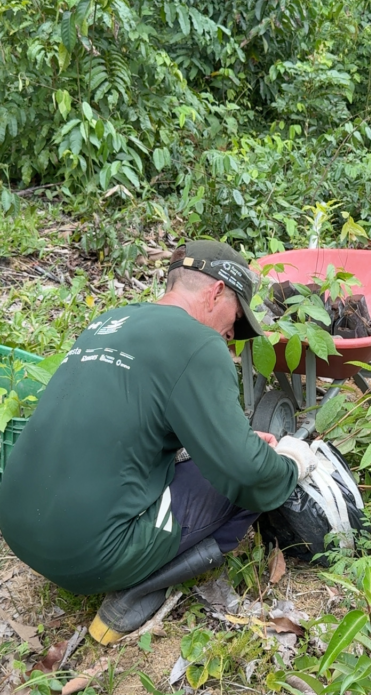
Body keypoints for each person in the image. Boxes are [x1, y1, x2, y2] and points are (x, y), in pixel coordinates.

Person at [0, 240, 319, 644]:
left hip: (18, 526)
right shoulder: (199, 343)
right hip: (86, 554)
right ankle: (139, 588)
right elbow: (246, 470)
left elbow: (129, 421)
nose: (229, 335)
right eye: (234, 319)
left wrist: (228, 437)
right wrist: (290, 461)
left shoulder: (109, 322)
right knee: (249, 482)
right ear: (216, 292)